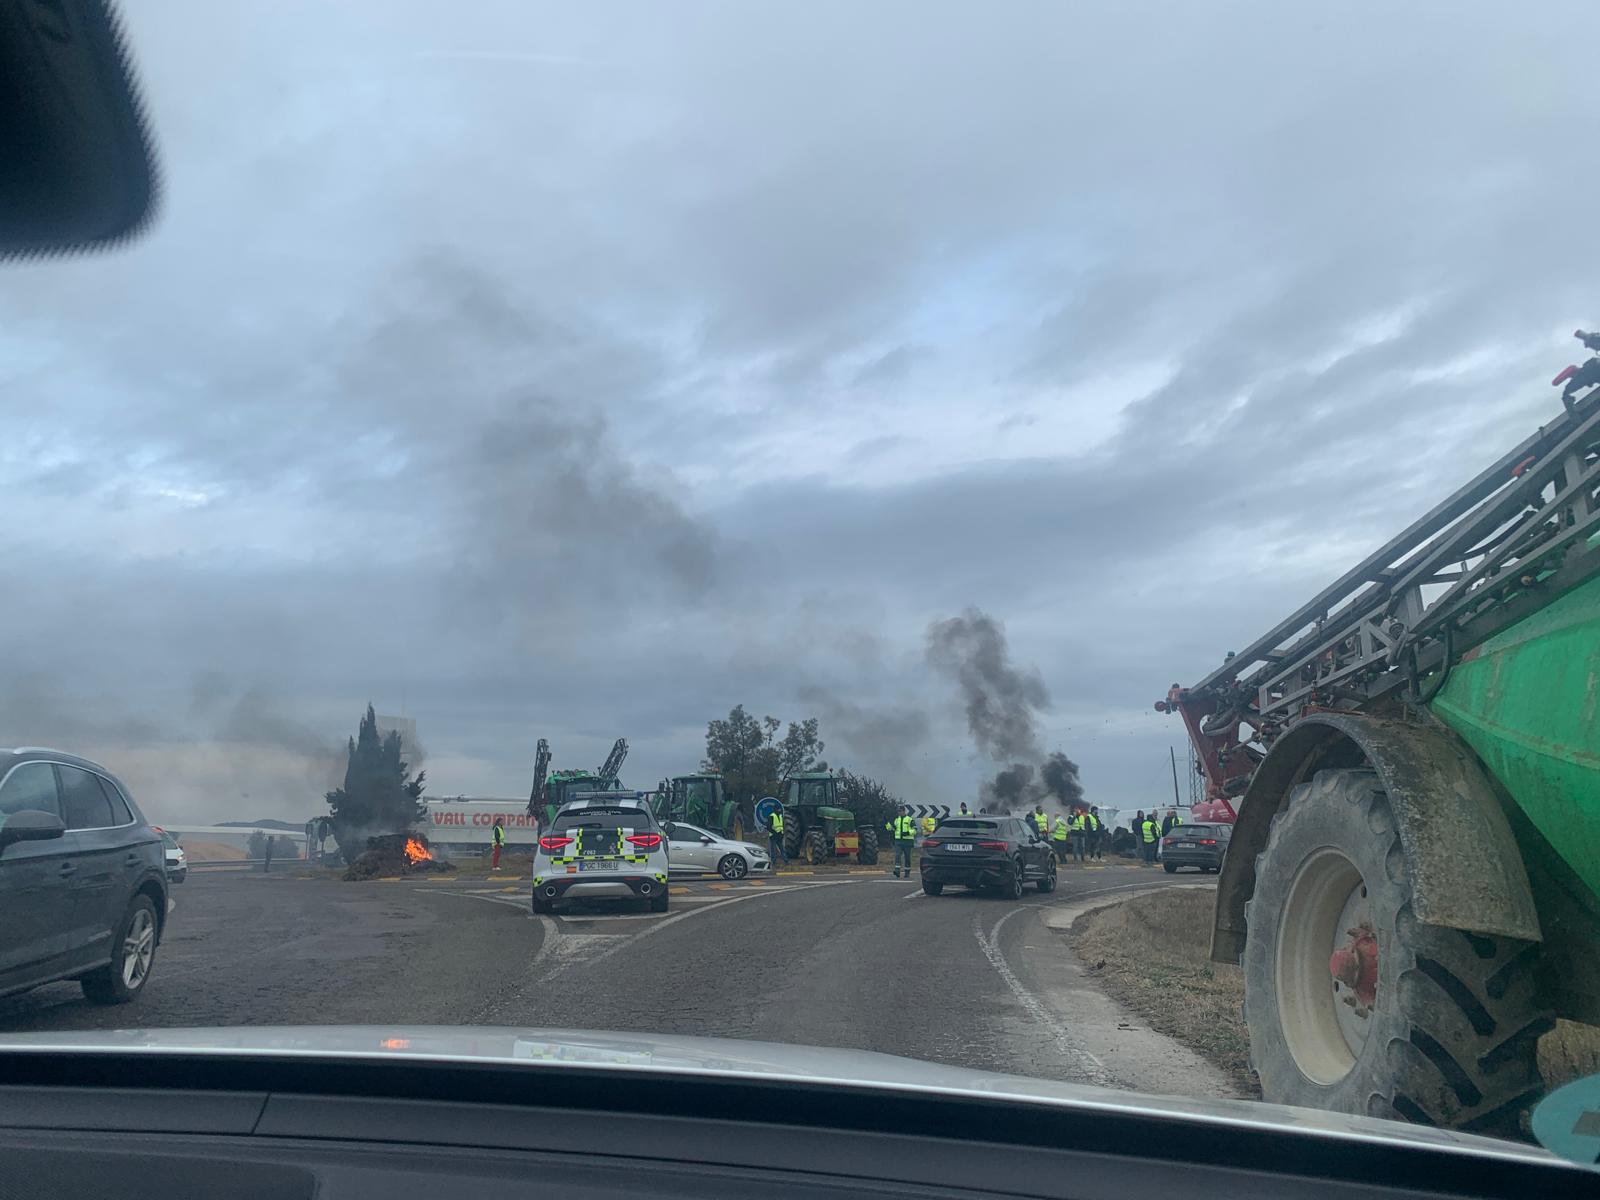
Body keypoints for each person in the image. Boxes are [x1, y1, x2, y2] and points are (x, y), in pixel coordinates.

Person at [886, 805, 917, 879]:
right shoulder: (897, 820)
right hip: (898, 841)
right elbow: (891, 829)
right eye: (898, 811)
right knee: (897, 855)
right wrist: (887, 823)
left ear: (904, 811)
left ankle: (907, 873)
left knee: (907, 858)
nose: (899, 812)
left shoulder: (910, 819)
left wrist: (907, 833)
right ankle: (897, 871)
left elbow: (915, 830)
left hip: (908, 842)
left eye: (900, 811)